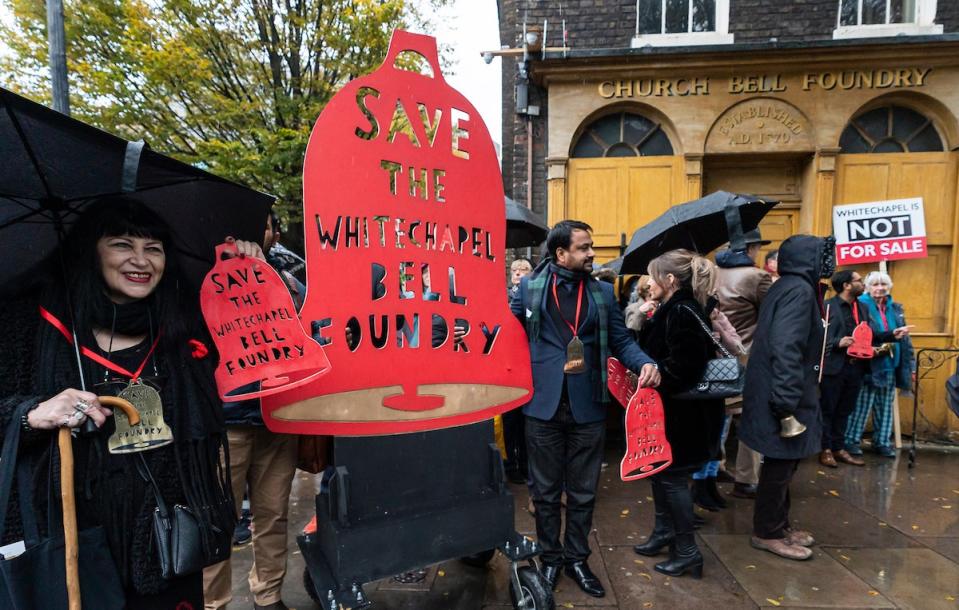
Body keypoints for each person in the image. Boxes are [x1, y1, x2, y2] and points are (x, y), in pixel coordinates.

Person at [0, 197, 236, 608]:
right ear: (91, 250)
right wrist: (31, 413)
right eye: (123, 244)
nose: (141, 261)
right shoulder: (29, 322)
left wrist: (245, 268)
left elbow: (259, 339)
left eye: (154, 249)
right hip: (71, 540)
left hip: (165, 540)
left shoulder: (184, 325)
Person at [511, 220, 660, 597]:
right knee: (544, 494)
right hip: (541, 403)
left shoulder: (602, 293)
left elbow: (621, 340)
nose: (592, 253)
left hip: (588, 405)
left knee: (583, 492)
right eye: (583, 247)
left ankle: (577, 557)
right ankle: (550, 559)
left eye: (591, 246)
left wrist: (643, 361)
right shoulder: (529, 289)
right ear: (561, 253)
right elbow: (504, 331)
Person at [203, 212, 303, 610]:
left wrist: (265, 274)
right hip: (226, 420)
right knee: (218, 519)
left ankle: (268, 595)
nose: (253, 231)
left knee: (273, 512)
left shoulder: (289, 272)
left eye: (262, 223)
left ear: (272, 232)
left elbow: (307, 322)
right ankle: (214, 602)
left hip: (279, 416)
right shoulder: (204, 272)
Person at [630, 250, 725, 579]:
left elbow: (686, 365)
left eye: (652, 276)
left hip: (683, 416)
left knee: (672, 480)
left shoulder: (682, 309)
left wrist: (658, 376)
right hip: (673, 412)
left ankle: (687, 552)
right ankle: (663, 533)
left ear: (670, 280)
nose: (647, 282)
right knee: (660, 474)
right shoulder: (673, 307)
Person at [740, 234, 833, 561]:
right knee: (780, 467)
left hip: (782, 391)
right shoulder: (798, 290)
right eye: (822, 255)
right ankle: (767, 532)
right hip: (784, 396)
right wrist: (786, 403)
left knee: (784, 465)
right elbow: (786, 348)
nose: (829, 261)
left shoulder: (791, 286)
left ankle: (777, 525)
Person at [714, 229, 773, 499]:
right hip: (746, 358)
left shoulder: (712, 272)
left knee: (717, 415)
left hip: (714, 358)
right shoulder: (756, 276)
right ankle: (746, 479)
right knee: (751, 418)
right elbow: (773, 314)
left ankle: (715, 467)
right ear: (750, 248)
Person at [844, 271, 914, 458]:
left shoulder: (895, 308)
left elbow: (905, 339)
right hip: (868, 364)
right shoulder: (861, 306)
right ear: (867, 287)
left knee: (885, 405)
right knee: (862, 404)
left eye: (883, 284)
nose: (880, 288)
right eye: (875, 284)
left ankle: (882, 442)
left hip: (891, 363)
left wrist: (910, 365)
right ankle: (850, 441)